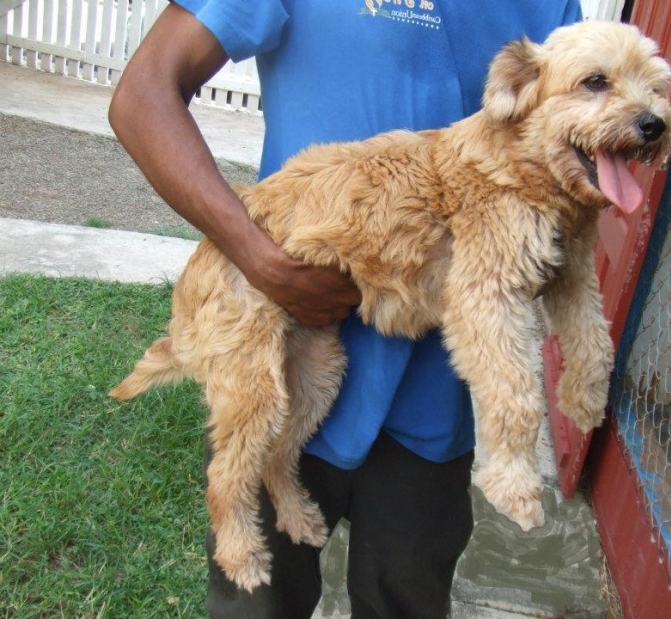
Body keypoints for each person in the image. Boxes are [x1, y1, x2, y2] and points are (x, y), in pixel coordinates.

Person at [109, 1, 582, 617]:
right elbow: (143, 95)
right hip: (287, 349)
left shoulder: (549, 8)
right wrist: (261, 259)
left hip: (435, 400)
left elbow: (568, 141)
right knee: (255, 605)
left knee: (407, 600)